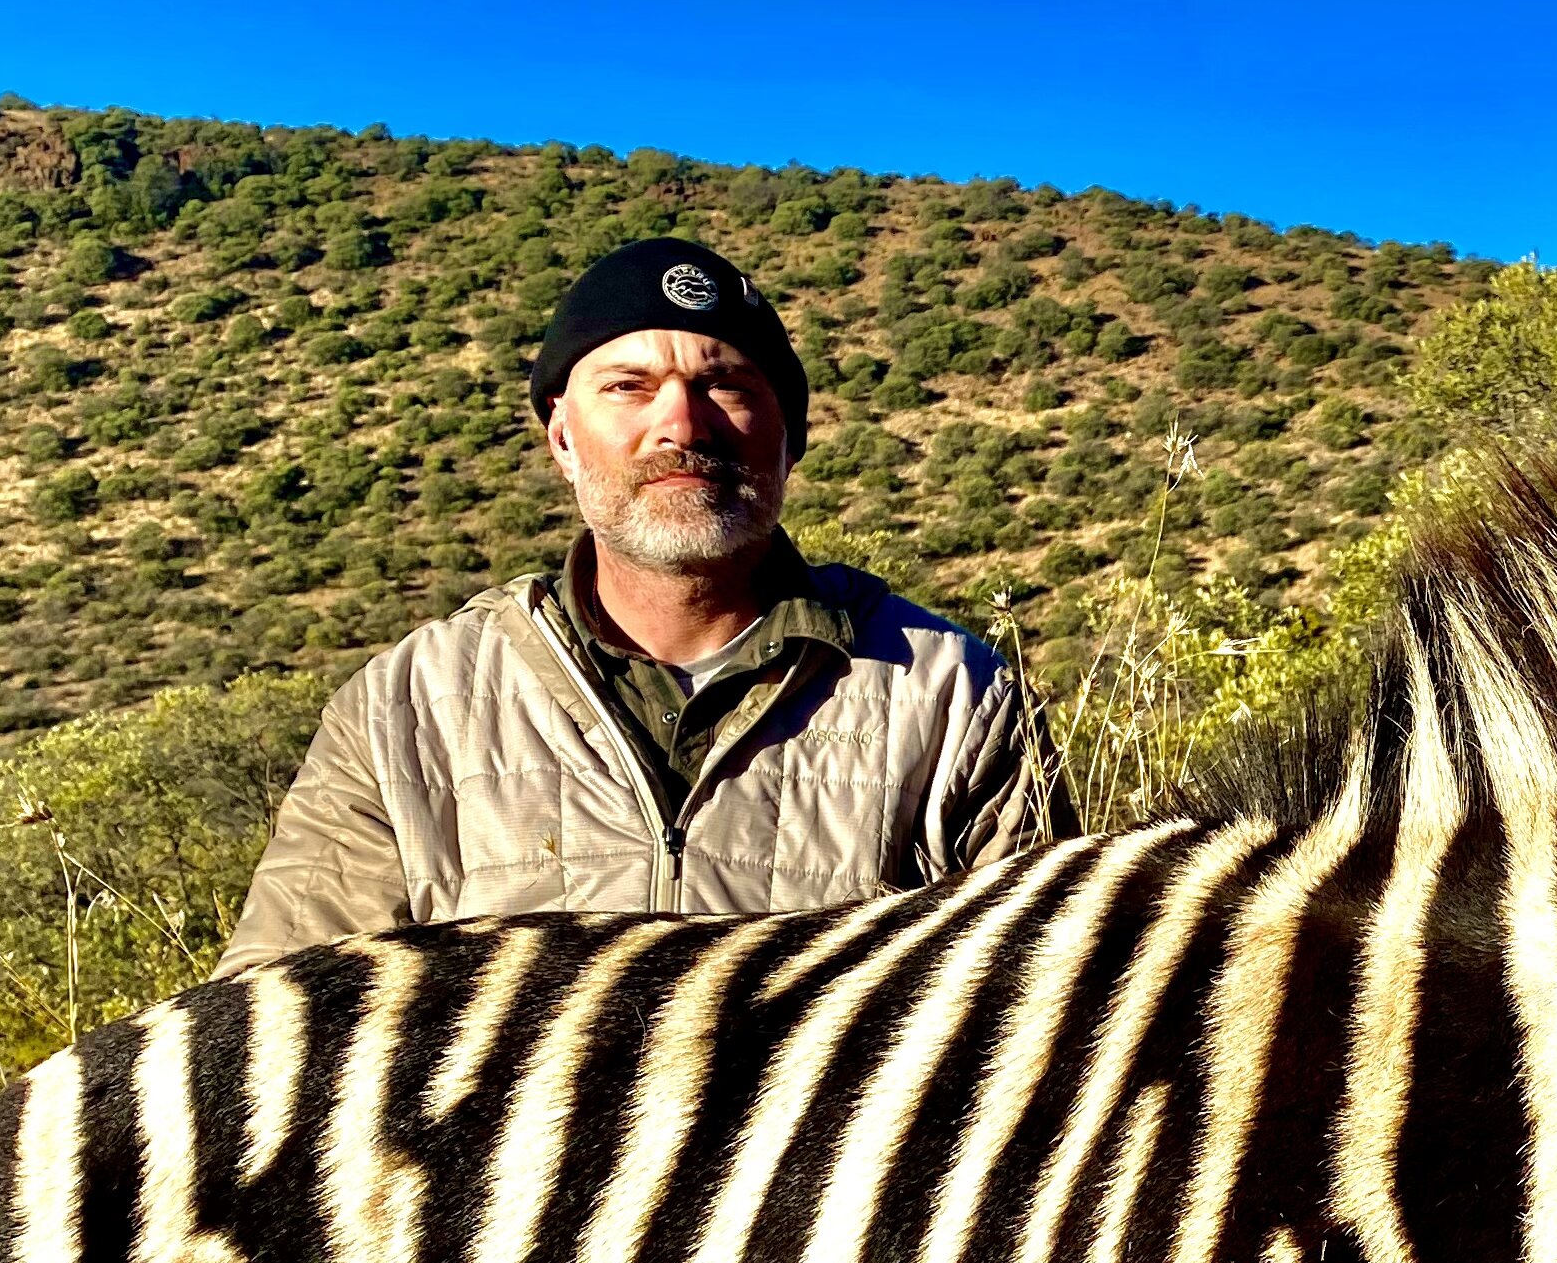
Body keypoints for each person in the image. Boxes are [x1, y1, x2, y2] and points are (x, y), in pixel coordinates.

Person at [218, 236, 1053, 977]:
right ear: (561, 436)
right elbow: (272, 1028)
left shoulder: (951, 697)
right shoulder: (408, 708)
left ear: (789, 437)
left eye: (723, 384)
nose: (680, 425)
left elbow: (1037, 1020)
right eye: (628, 386)